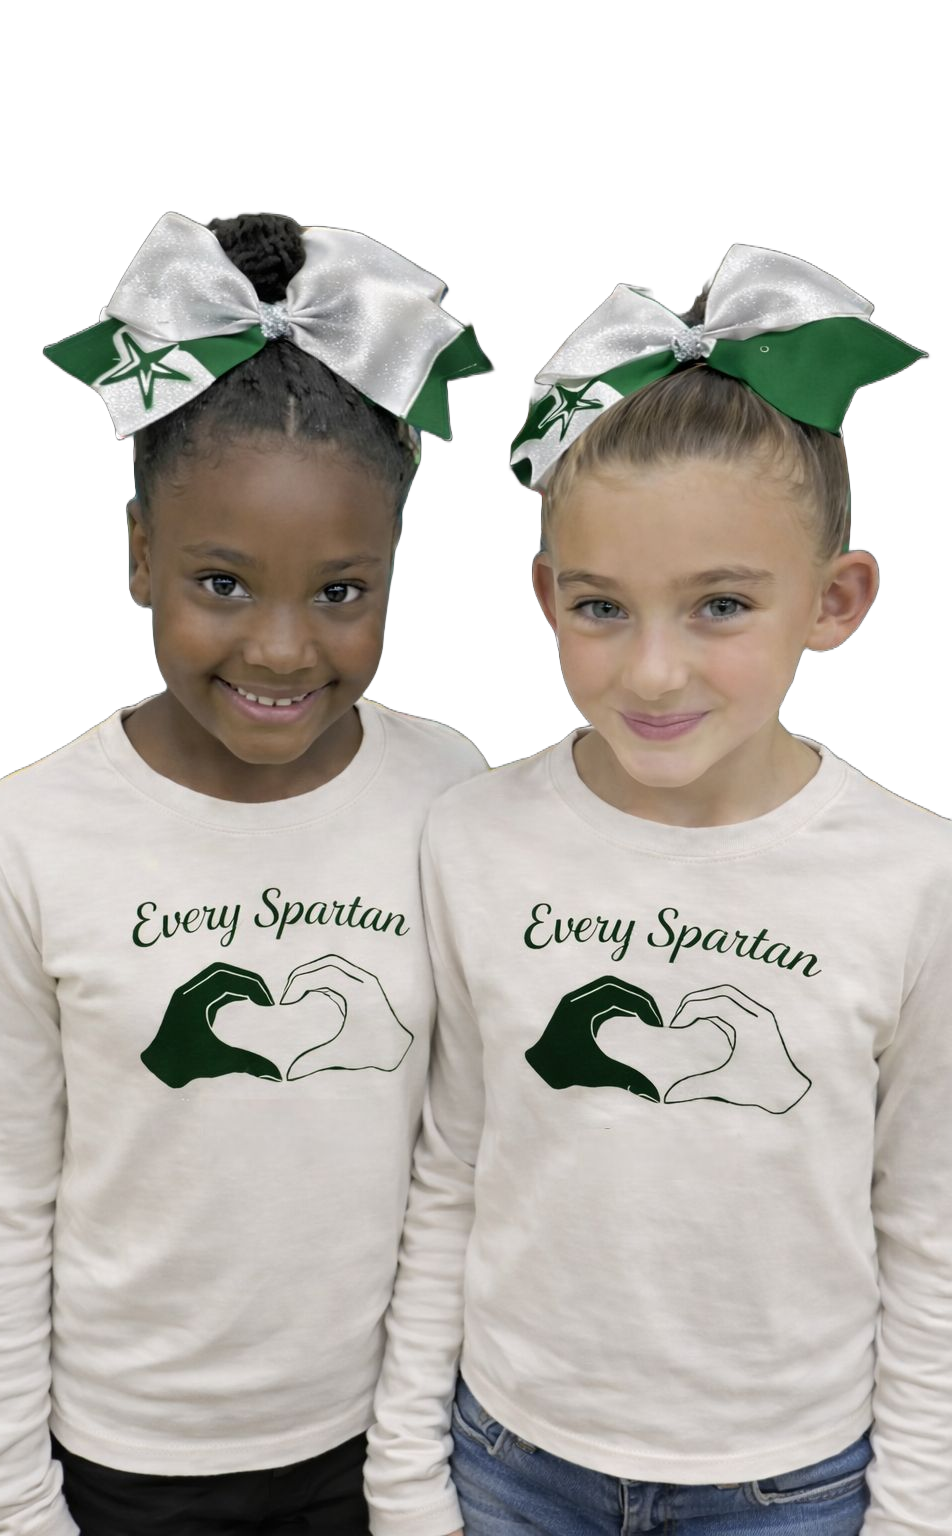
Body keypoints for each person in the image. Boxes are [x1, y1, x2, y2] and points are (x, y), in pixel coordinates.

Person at [364, 244, 949, 1535]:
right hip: (510, 1461)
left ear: (834, 600)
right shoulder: (474, 836)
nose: (656, 673)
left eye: (722, 605)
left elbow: (929, 1230)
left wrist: (913, 1516)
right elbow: (449, 1167)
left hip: (792, 1486)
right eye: (603, 608)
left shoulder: (915, 874)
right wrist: (405, 1483)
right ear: (544, 597)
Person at [0, 210, 489, 1536]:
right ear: (139, 558)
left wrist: (416, 1460)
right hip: (123, 1468)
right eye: (223, 582)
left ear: (395, 569)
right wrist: (8, 1501)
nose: (284, 647)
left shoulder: (449, 792)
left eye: (343, 592)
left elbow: (458, 1154)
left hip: (386, 1446)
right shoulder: (32, 833)